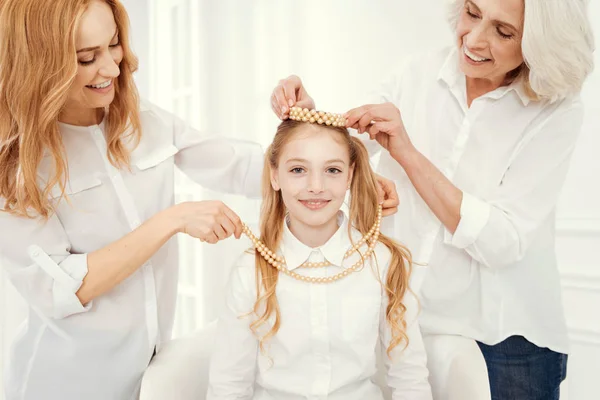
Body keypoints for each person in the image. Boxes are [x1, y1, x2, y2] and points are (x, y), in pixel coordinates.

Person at [0, 2, 400, 398]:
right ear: (43, 66)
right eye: (88, 58)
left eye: (114, 44)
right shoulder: (17, 166)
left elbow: (240, 168)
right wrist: (170, 221)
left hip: (151, 371)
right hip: (65, 383)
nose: (112, 68)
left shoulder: (140, 120)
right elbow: (58, 290)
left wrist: (331, 166)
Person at [270, 0, 595, 398]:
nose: (474, 40)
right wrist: (310, 118)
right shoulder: (417, 72)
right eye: (473, 13)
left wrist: (406, 153)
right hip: (406, 317)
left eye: (503, 31)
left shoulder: (556, 112)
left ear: (539, 46)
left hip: (505, 338)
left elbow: (502, 241)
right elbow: (351, 147)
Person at [207, 115, 433, 400]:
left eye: (332, 170)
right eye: (299, 169)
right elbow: (228, 386)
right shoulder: (249, 270)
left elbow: (409, 377)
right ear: (275, 175)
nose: (316, 185)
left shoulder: (381, 262)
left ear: (350, 175)